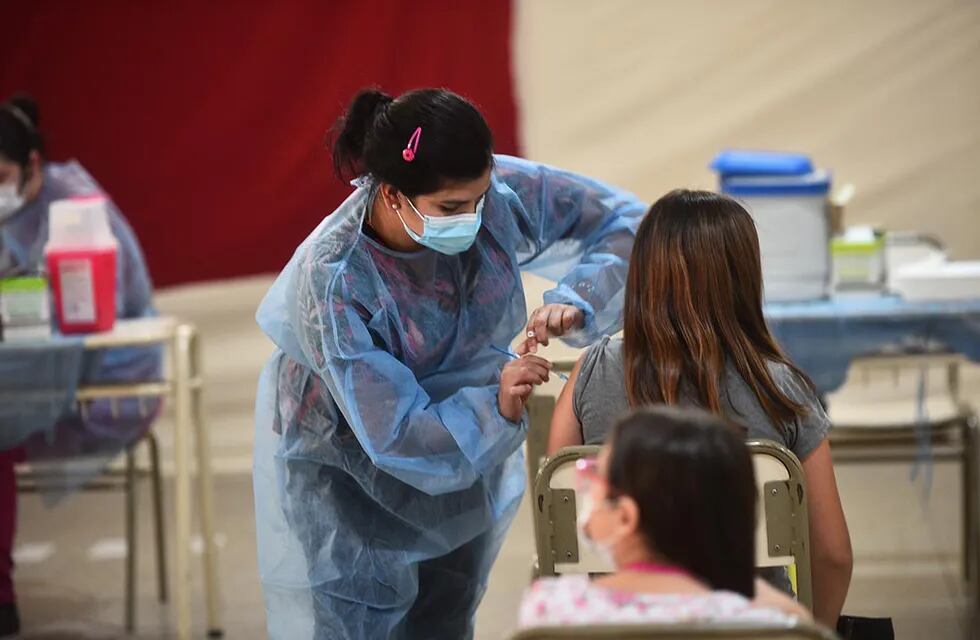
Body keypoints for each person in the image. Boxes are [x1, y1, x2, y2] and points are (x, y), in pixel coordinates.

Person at [252, 87, 647, 639]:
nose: (475, 220)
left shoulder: (492, 194)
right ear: (391, 194)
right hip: (351, 476)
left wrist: (576, 298)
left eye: (480, 199)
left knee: (444, 618)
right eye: (452, 210)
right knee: (358, 620)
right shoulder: (335, 280)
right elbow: (396, 435)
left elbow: (628, 223)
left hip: (469, 452)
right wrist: (496, 404)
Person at [546, 189, 852, 626]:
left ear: (644, 272)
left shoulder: (591, 372)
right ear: (744, 276)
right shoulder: (781, 388)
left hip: (618, 629)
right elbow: (833, 554)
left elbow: (560, 531)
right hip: (751, 629)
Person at [0, 95, 158, 637]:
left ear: (33, 166)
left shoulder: (77, 206)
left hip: (110, 385)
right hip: (32, 380)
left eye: (1, 175)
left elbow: (92, 322)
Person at [520, 406, 811, 629]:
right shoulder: (771, 621)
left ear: (625, 518)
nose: (586, 486)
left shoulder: (554, 610)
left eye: (595, 476)